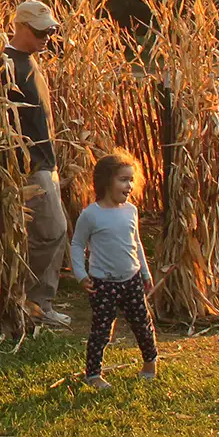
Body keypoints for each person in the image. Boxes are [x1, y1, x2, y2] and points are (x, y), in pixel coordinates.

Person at [1, 0, 70, 328]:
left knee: (50, 233)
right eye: (41, 32)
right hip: (28, 166)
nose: (47, 38)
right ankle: (34, 303)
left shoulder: (29, 61)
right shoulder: (6, 64)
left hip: (46, 162)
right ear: (21, 27)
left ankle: (35, 303)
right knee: (53, 231)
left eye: (51, 32)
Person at [72, 150, 158, 390]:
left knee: (142, 323)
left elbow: (136, 242)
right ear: (105, 181)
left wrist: (145, 272)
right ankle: (93, 375)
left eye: (131, 180)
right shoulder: (91, 215)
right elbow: (77, 244)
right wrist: (81, 274)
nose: (129, 185)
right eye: (123, 179)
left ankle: (150, 363)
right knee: (101, 329)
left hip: (131, 280)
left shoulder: (131, 211)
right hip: (103, 284)